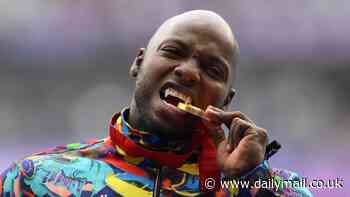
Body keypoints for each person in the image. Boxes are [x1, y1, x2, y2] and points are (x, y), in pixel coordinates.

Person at [0, 10, 312, 197]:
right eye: (173, 51)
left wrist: (249, 179)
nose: (189, 72)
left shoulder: (269, 185)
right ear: (139, 62)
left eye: (213, 70)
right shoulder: (34, 179)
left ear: (226, 100)